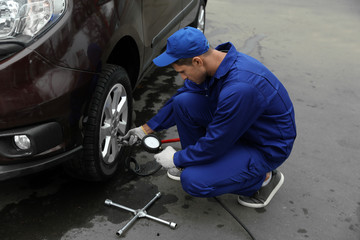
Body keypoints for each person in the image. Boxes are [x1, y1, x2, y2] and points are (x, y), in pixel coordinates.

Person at [120, 27, 296, 208]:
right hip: (241, 128)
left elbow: (217, 141)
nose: (183, 77)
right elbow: (180, 101)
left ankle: (263, 178)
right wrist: (144, 130)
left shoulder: (240, 87)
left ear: (197, 61)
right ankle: (199, 163)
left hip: (265, 145)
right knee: (183, 102)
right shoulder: (216, 64)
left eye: (182, 71)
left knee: (193, 181)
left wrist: (177, 159)